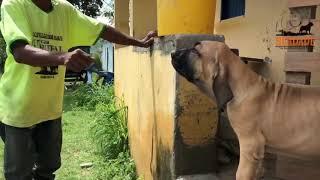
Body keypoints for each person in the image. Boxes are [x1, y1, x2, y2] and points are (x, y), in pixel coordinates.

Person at [0, 0, 157, 179]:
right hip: (18, 108)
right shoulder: (14, 4)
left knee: (48, 168)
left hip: (50, 109)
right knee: (19, 174)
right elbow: (20, 52)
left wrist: (139, 42)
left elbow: (101, 29)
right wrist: (63, 57)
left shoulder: (64, 10)